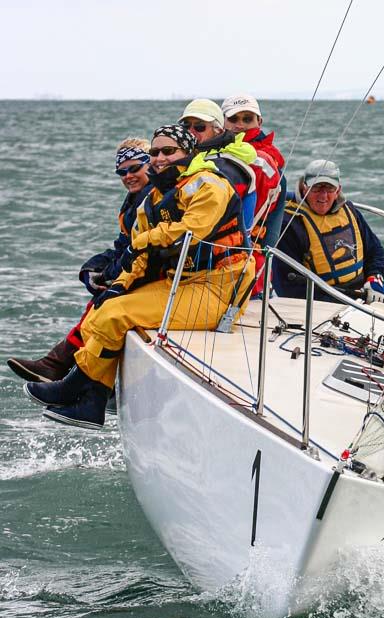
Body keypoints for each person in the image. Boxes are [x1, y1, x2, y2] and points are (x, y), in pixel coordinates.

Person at [22, 125, 256, 430]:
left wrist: (143, 241)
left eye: (168, 151)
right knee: (103, 312)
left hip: (219, 290)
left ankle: (76, 389)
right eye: (155, 152)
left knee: (116, 316)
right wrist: (119, 285)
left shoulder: (209, 185)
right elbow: (140, 255)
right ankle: (91, 400)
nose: (160, 158)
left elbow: (190, 232)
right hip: (182, 283)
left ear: (187, 152)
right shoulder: (155, 198)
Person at [7, 138, 153, 383]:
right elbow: (122, 246)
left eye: (134, 168)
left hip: (154, 275)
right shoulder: (134, 200)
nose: (128, 176)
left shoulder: (149, 199)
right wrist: (92, 268)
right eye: (122, 171)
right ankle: (66, 368)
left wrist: (108, 276)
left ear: (151, 165)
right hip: (137, 269)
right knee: (101, 298)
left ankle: (64, 369)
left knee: (103, 303)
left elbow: (140, 252)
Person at [272, 159, 384, 302]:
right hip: (315, 307)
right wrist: (341, 302)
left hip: (362, 297)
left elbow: (376, 252)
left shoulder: (350, 211)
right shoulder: (290, 224)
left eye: (330, 189)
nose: (323, 196)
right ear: (304, 187)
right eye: (317, 188)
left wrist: (375, 280)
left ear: (338, 190)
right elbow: (287, 286)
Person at [221, 94, 286, 296]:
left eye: (247, 119)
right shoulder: (215, 153)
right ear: (222, 121)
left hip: (246, 254)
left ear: (259, 121)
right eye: (233, 119)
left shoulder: (266, 160)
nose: (240, 125)